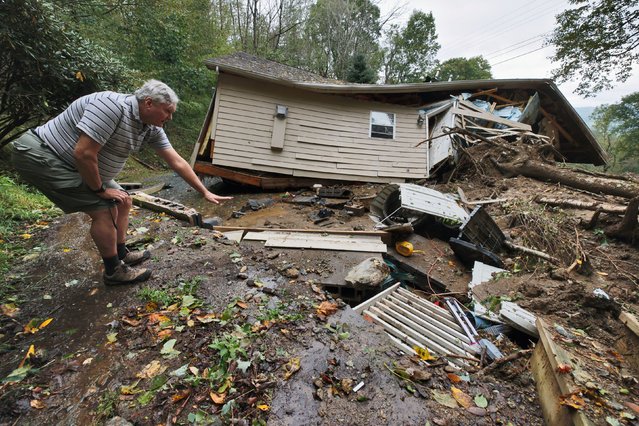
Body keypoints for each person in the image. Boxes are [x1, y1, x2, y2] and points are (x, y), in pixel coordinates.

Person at [11, 80, 231, 285]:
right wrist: (99, 190)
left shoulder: (150, 128)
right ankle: (113, 271)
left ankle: (121, 252)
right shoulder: (111, 107)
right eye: (168, 111)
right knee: (104, 208)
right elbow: (84, 153)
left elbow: (177, 161)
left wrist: (204, 191)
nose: (170, 117)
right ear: (148, 103)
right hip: (43, 155)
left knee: (123, 201)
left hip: (73, 163)